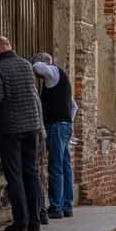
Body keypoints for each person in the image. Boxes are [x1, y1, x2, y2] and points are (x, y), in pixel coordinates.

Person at [0, 35, 45, 231]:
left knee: (14, 173)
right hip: (32, 126)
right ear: (9, 46)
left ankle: (20, 221)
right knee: (31, 171)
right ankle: (35, 219)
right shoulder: (26, 64)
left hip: (11, 128)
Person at [34, 52, 76, 219]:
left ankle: (56, 206)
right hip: (65, 126)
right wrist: (68, 121)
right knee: (65, 166)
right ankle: (67, 205)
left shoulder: (52, 72)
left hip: (57, 127)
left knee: (56, 166)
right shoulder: (62, 80)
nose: (37, 76)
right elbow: (74, 106)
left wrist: (32, 64)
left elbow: (38, 66)